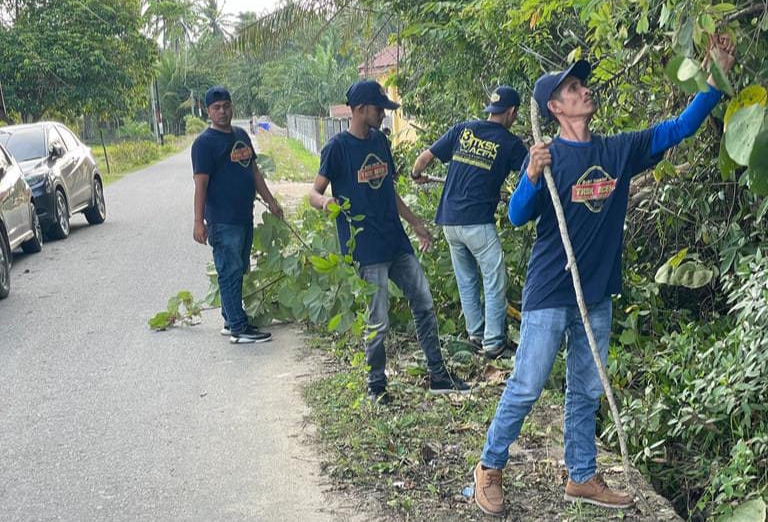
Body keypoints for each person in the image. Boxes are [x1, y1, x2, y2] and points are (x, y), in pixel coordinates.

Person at [473, 35, 736, 516]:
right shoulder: (547, 158)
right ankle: (489, 467)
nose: (585, 91)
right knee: (528, 384)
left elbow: (679, 128)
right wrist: (531, 174)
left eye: (583, 85)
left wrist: (714, 76)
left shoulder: (619, 151)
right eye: (574, 88)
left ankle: (581, 476)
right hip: (551, 290)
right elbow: (515, 216)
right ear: (555, 106)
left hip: (596, 293)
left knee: (585, 388)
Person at [309, 80, 470, 404]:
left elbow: (388, 191)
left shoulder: (381, 142)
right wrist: (327, 204)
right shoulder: (337, 148)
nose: (383, 114)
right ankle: (376, 386)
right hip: (366, 248)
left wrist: (416, 225)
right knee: (378, 320)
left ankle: (438, 375)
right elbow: (315, 192)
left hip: (395, 240)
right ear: (359, 110)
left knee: (423, 301)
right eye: (378, 108)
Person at [411, 86, 528, 359]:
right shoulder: (511, 144)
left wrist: (417, 174)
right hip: (477, 222)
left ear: (491, 109)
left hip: (450, 221)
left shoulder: (462, 130)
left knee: (466, 278)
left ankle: (475, 333)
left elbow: (424, 158)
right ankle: (493, 342)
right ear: (511, 112)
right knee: (494, 277)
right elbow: (530, 175)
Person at [192, 86, 284, 344]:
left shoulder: (241, 136)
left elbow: (254, 172)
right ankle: (238, 328)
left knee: (238, 269)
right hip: (223, 220)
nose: (222, 112)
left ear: (232, 107)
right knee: (229, 271)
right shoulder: (204, 144)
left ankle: (229, 317)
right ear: (208, 111)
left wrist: (271, 201)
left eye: (226, 106)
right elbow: (201, 184)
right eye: (216, 108)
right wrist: (199, 221)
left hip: (244, 216)